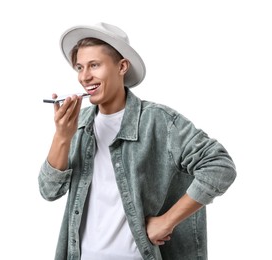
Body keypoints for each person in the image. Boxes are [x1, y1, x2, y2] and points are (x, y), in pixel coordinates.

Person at [38, 22, 236, 260]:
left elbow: (220, 166)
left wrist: (167, 222)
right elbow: (49, 191)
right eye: (79, 67)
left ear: (122, 66)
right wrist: (62, 136)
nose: (84, 76)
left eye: (94, 65)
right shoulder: (78, 125)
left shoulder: (158, 121)